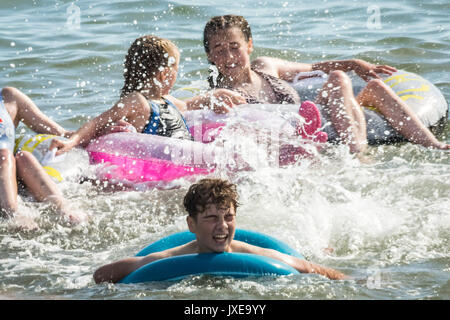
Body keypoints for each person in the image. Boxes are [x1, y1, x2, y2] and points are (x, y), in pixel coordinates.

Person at [190, 14, 450, 153]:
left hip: (323, 113)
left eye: (235, 47)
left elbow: (314, 68)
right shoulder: (223, 94)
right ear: (210, 56)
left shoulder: (266, 66)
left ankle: (434, 144)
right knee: (342, 84)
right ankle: (358, 154)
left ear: (249, 45)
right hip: (305, 131)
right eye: (219, 50)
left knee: (366, 85)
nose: (229, 57)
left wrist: (352, 63)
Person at [93, 178, 349, 283]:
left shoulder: (257, 254)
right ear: (191, 225)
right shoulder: (169, 258)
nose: (223, 226)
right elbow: (103, 274)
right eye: (212, 217)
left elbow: (308, 267)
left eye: (228, 217)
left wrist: (351, 283)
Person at [49, 35, 195, 156]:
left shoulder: (167, 101)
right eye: (177, 69)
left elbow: (190, 104)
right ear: (164, 75)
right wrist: (71, 142)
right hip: (159, 167)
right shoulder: (137, 102)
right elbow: (96, 123)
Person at [0, 87, 87, 229]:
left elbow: (63, 134)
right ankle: (13, 214)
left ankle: (63, 208)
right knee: (4, 155)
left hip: (6, 175)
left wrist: (100, 132)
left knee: (24, 157)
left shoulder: (9, 98)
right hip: (2, 163)